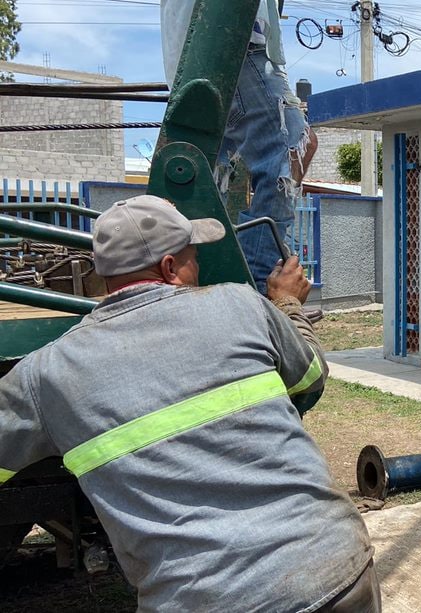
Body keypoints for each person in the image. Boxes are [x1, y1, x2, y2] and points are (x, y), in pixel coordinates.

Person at [0, 195, 379, 611]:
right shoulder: (241, 303)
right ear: (169, 268)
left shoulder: (47, 374)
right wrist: (287, 305)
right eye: (192, 256)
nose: (197, 266)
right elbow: (310, 374)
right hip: (335, 570)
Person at [160, 0, 317, 294]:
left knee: (213, 173)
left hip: (197, 53)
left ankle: (206, 270)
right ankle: (255, 280)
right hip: (237, 40)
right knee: (292, 147)